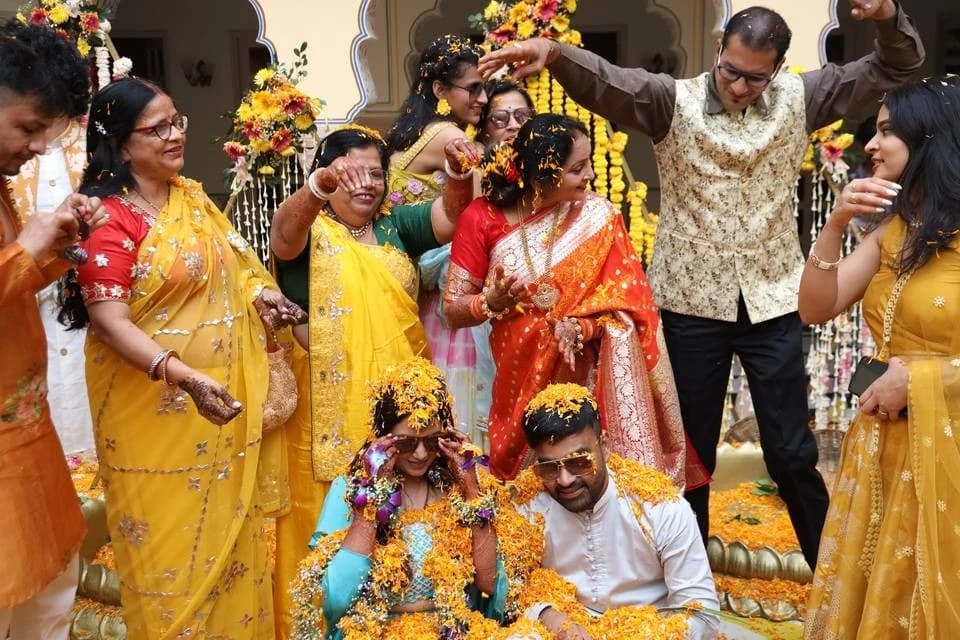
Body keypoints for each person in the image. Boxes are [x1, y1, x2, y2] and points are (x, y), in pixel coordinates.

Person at [477, 0, 925, 568]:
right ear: (718, 52)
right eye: (730, 70)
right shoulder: (672, 101)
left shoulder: (803, 97)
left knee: (792, 451)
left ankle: (831, 578)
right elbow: (610, 83)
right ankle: (690, 583)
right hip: (690, 308)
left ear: (778, 68)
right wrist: (555, 53)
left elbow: (895, 67)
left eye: (755, 78)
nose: (738, 86)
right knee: (692, 455)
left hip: (772, 301)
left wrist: (886, 16)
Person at [65, 77, 302, 639]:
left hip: (219, 410)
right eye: (157, 128)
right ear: (121, 145)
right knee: (170, 560)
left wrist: (262, 296)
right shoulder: (109, 218)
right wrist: (184, 377)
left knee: (233, 548)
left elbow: (237, 272)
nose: (175, 135)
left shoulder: (191, 198)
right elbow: (109, 321)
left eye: (177, 122)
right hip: (154, 416)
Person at [270, 125, 478, 637]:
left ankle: (402, 617)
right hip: (325, 406)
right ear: (326, 174)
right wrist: (317, 189)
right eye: (352, 173)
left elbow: (451, 217)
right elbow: (283, 236)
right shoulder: (310, 227)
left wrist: (457, 175)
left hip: (401, 411)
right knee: (330, 516)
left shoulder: (394, 225)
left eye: (376, 174)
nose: (367, 184)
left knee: (404, 508)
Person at [444, 113, 700, 489]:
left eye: (589, 163)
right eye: (577, 168)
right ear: (542, 176)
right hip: (519, 380)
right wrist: (490, 302)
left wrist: (581, 327)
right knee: (527, 493)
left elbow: (626, 307)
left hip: (591, 381)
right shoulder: (481, 218)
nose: (590, 175)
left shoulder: (598, 216)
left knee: (593, 483)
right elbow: (453, 310)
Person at [800, 77, 960, 637]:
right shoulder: (896, 230)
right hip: (883, 444)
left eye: (888, 131)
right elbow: (815, 307)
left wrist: (919, 380)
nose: (871, 143)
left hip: (950, 447)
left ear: (930, 138)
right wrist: (836, 224)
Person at [289, 357, 534, 639]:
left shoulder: (465, 485)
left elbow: (489, 584)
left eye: (431, 441)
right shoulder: (348, 489)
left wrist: (470, 489)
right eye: (406, 442)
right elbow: (337, 600)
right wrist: (371, 498)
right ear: (381, 436)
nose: (420, 454)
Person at [0, 20, 104, 638]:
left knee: (50, 592)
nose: (39, 148)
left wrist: (56, 248)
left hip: (27, 439)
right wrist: (26, 250)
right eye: (29, 128)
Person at [513, 384, 719, 640]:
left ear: (605, 446)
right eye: (549, 468)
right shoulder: (528, 508)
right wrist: (547, 615)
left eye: (580, 462)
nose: (565, 480)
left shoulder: (660, 508)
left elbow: (703, 614)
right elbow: (509, 593)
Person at [385, 35, 489, 440]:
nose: (482, 99)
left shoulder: (411, 131)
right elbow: (480, 212)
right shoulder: (448, 136)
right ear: (440, 90)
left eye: (485, 88)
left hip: (408, 276)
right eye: (473, 88)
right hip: (438, 288)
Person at [10, 115, 95, 455]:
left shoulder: (98, 142)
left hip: (94, 320)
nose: (37, 145)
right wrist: (26, 251)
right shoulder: (9, 157)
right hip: (21, 328)